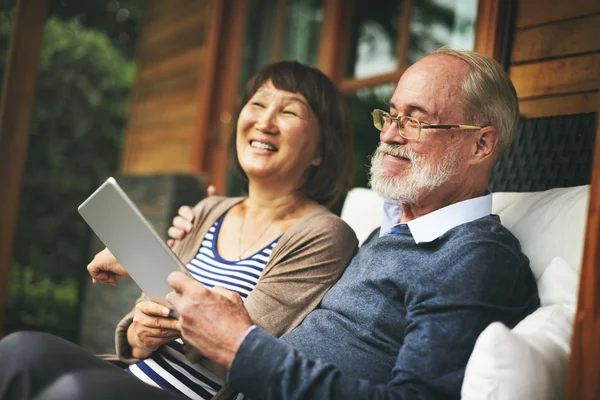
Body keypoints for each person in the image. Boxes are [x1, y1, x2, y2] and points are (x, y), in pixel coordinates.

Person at [0, 48, 540, 400]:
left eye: (416, 121)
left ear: (481, 143)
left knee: (66, 392)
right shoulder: (391, 231)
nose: (391, 134)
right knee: (21, 352)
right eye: (390, 115)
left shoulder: (477, 258)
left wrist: (242, 344)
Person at [0, 61, 358, 400]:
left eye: (289, 111)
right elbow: (148, 312)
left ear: (321, 151)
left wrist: (141, 267)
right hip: (130, 375)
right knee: (19, 350)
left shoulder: (324, 234)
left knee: (72, 392)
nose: (265, 122)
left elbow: (243, 347)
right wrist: (139, 333)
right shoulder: (207, 210)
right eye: (258, 104)